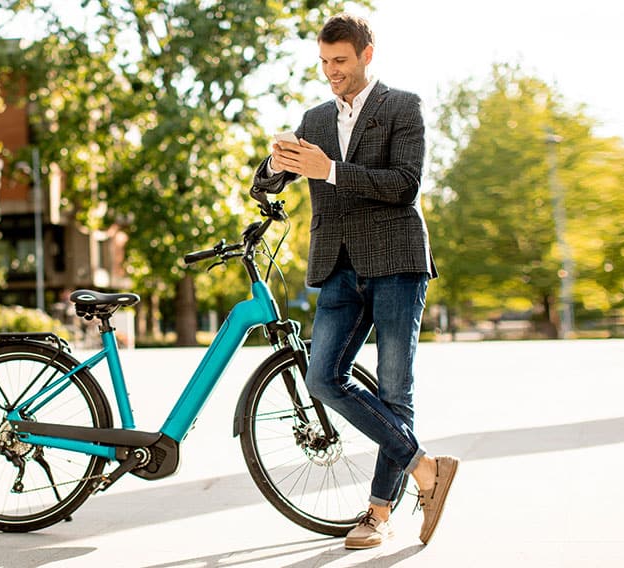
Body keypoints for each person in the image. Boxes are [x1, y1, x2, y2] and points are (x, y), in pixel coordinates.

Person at [251, 13, 459, 550]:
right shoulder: (315, 118)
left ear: (367, 54)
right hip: (338, 265)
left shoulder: (403, 107)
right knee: (323, 378)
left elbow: (406, 186)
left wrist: (332, 172)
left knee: (394, 389)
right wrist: (275, 164)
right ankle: (426, 468)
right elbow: (268, 185)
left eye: (340, 61)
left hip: (396, 258)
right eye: (324, 62)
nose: (331, 72)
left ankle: (377, 512)